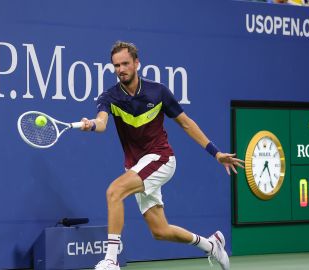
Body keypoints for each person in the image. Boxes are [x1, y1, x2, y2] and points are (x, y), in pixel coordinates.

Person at [79, 41, 244, 270]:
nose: (121, 69)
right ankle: (210, 245)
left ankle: (111, 259)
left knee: (114, 192)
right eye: (116, 65)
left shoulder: (158, 92)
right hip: (136, 166)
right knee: (160, 231)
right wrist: (92, 125)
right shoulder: (109, 97)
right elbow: (102, 121)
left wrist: (215, 153)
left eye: (125, 63)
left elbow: (186, 124)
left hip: (160, 159)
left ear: (137, 63)